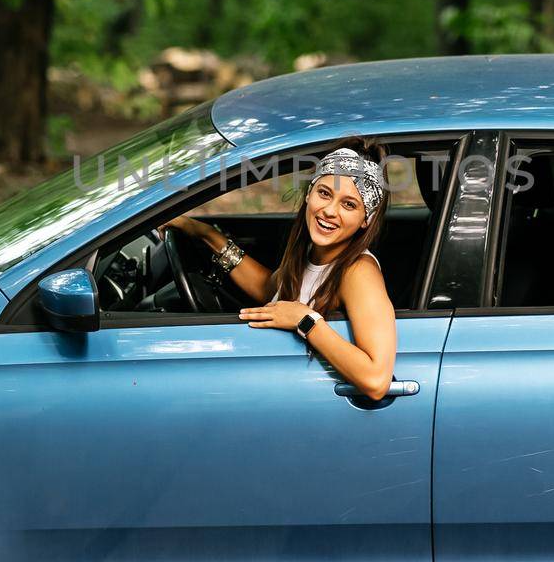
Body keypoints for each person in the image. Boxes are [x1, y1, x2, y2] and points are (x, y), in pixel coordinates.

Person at [163, 140, 398, 399]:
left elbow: (376, 381)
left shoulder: (358, 272)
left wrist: (305, 320)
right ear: (309, 192)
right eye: (325, 193)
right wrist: (206, 234)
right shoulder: (313, 252)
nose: (330, 211)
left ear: (367, 218)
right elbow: (269, 289)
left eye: (349, 204)